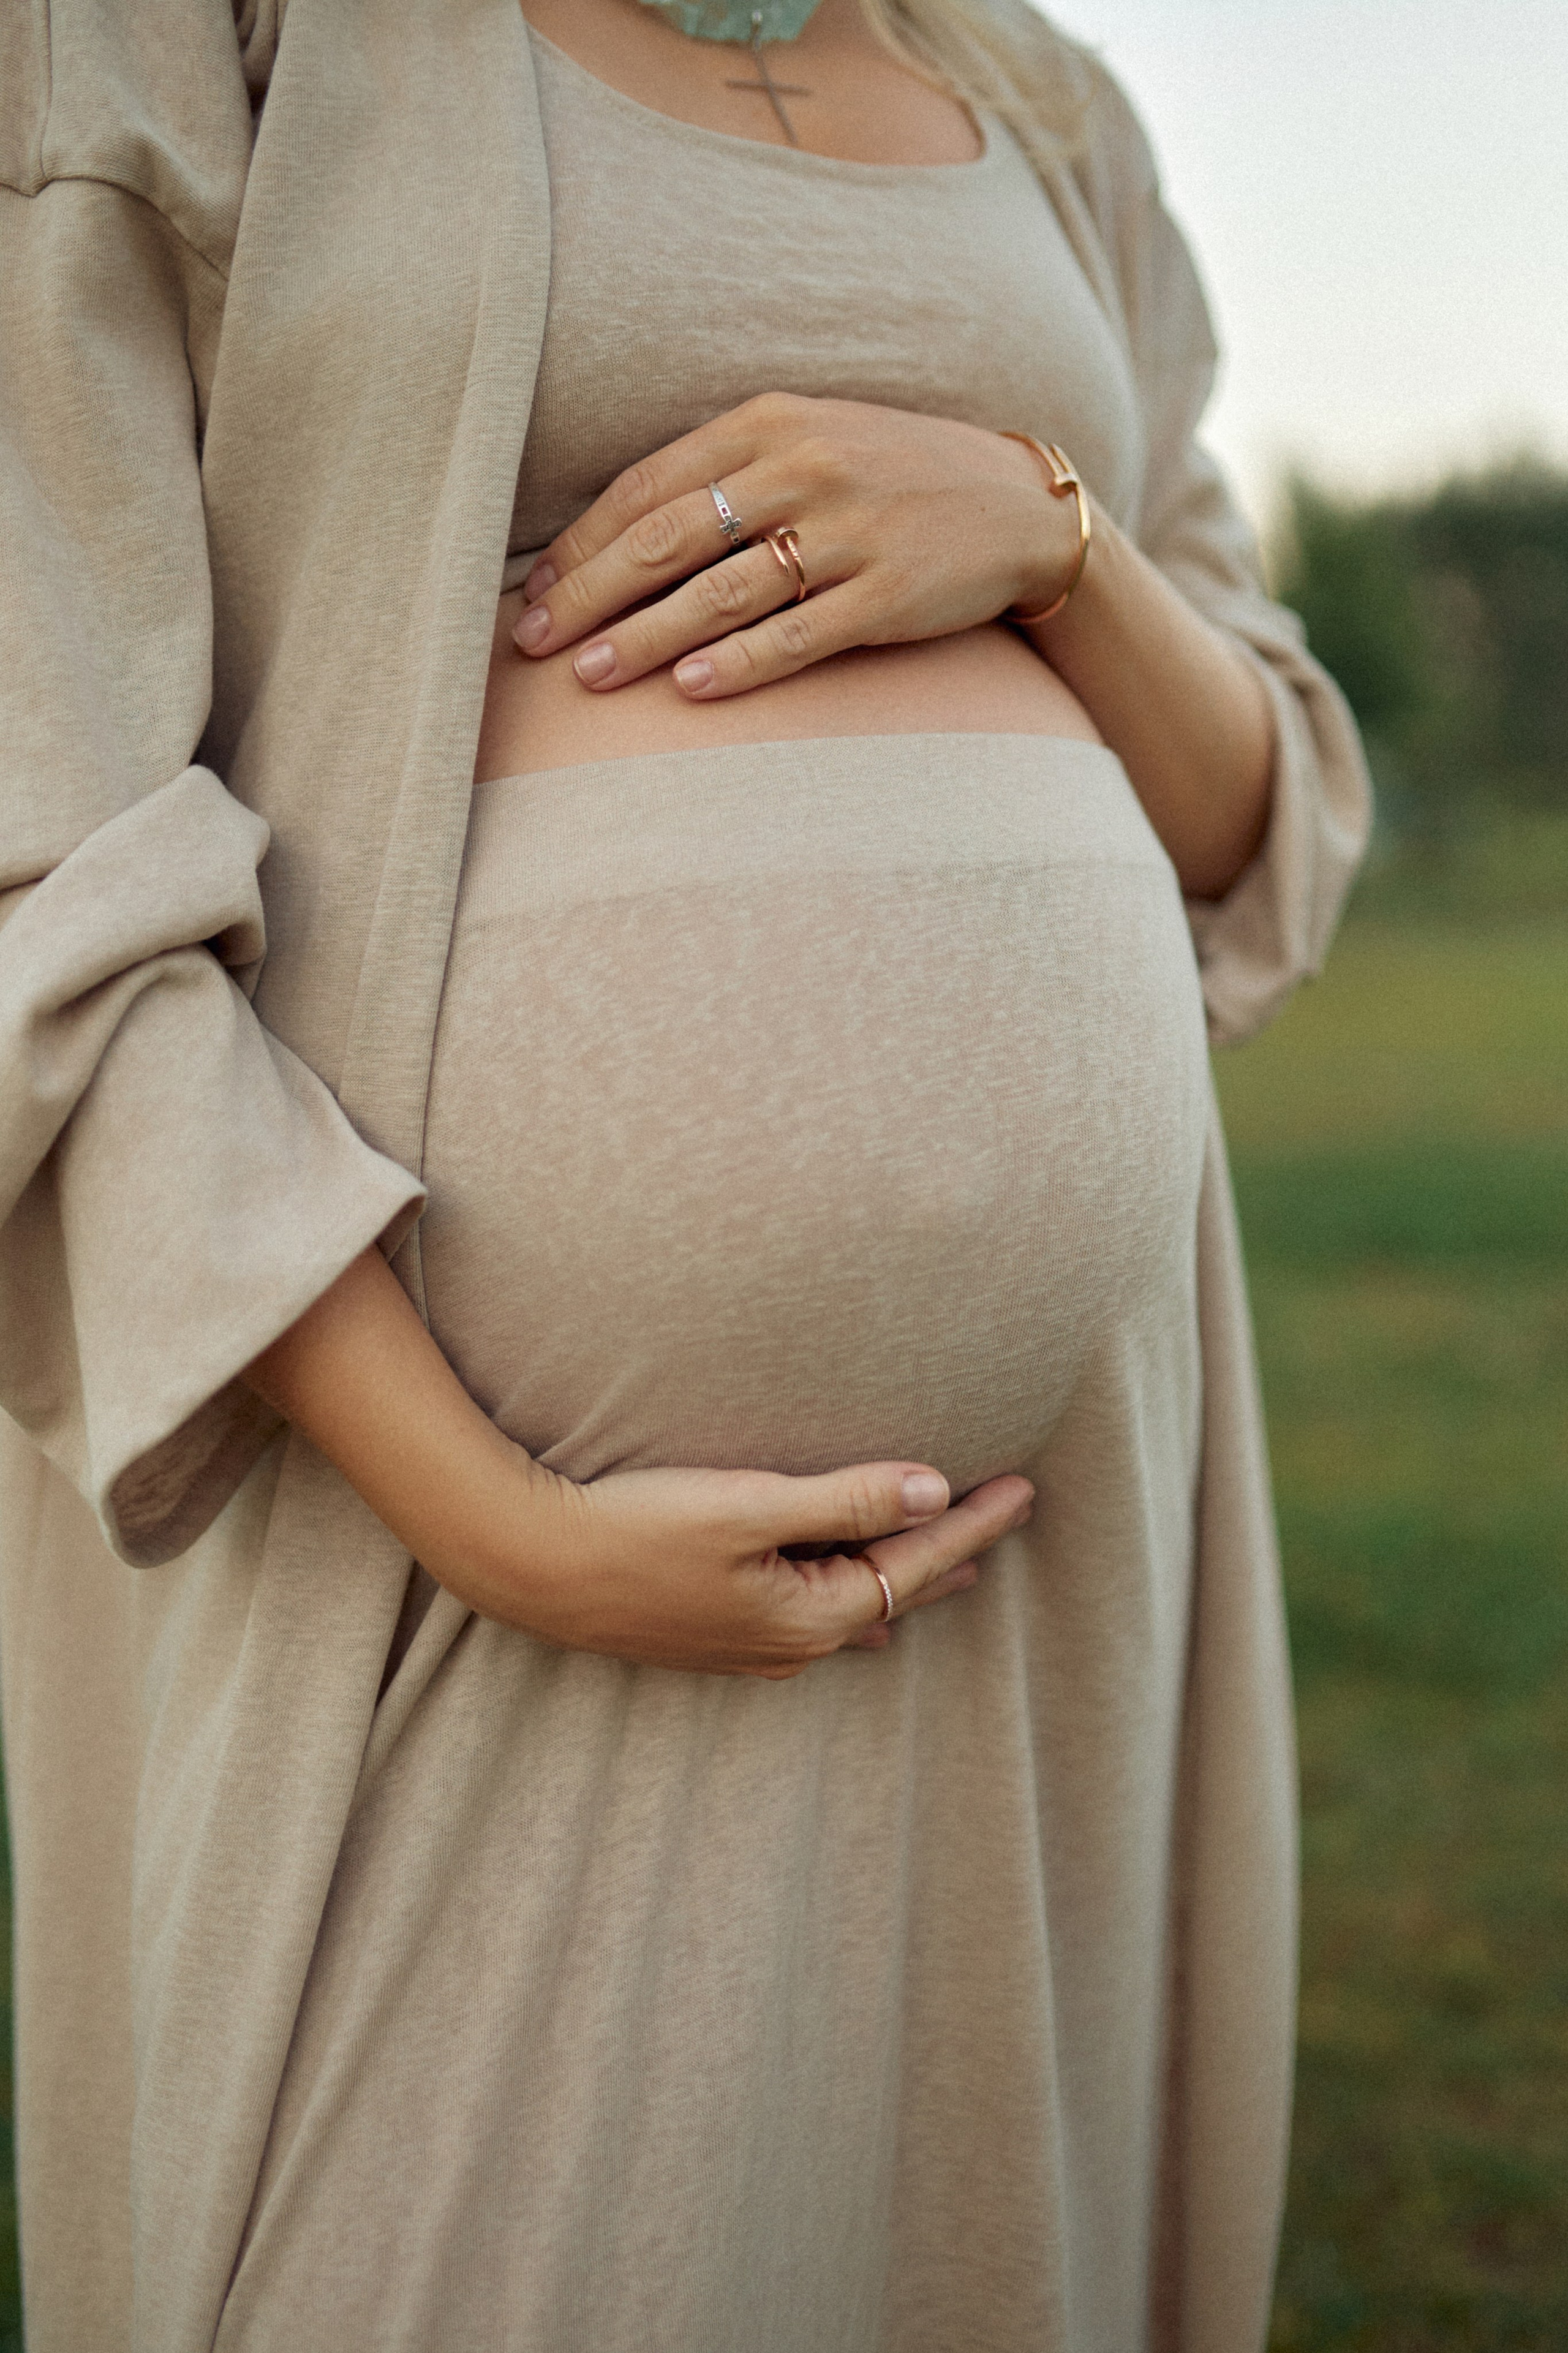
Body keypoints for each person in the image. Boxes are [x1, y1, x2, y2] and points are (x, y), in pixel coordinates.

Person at [0, 0, 1371, 2346]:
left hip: (1055, 1546)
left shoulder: (1043, 106)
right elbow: (53, 827)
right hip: (426, 1524)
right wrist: (485, 1505)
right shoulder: (158, 36)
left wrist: (1041, 531)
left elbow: (1265, 819)